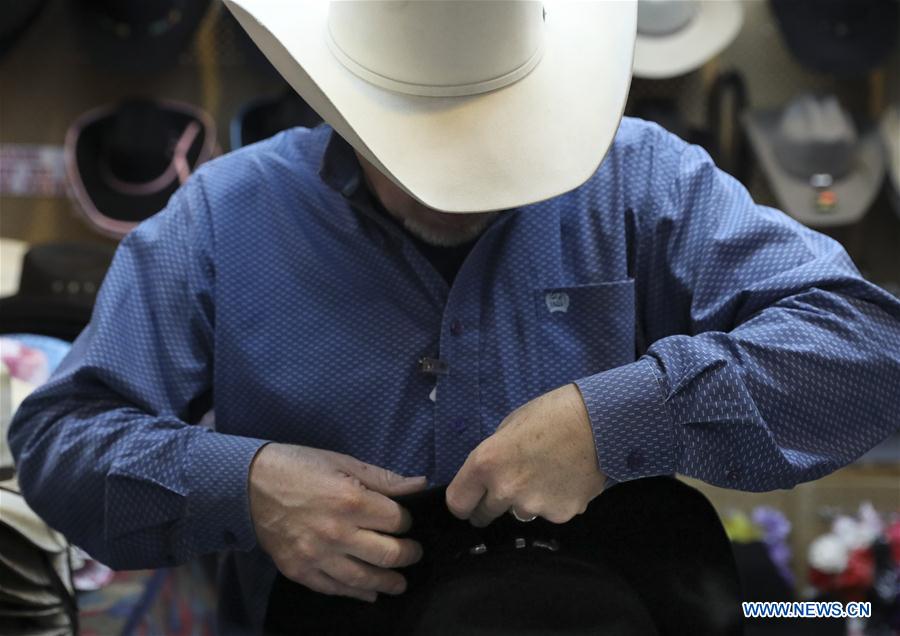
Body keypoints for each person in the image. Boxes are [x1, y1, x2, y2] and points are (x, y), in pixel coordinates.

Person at [9, 2, 900, 634]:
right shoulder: (224, 217)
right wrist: (243, 487)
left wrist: (618, 420)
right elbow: (62, 442)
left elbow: (866, 348)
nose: (457, 186)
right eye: (416, 146)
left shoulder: (638, 182)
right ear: (337, 104)